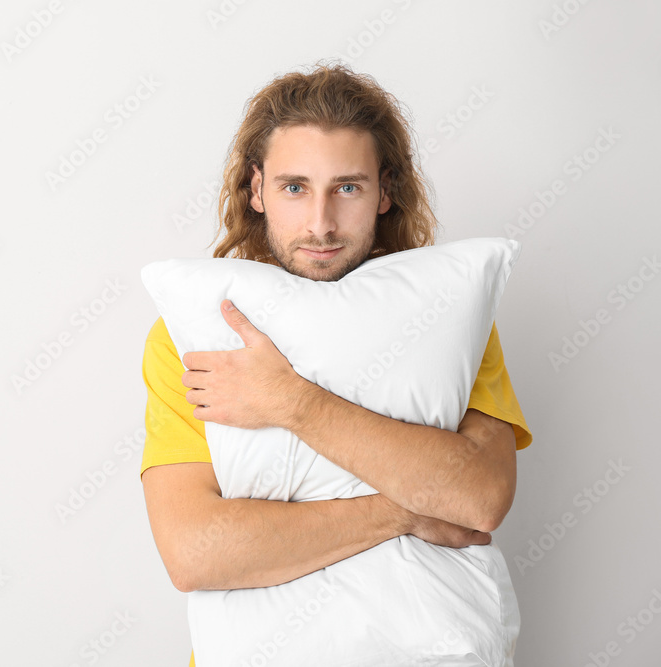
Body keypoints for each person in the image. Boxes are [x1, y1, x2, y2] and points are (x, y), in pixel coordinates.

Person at [139, 60, 532, 667]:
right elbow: (195, 554)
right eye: (295, 187)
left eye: (347, 187)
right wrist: (404, 509)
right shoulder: (190, 335)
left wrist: (291, 402)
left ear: (385, 192)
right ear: (256, 190)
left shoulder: (449, 323)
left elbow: (480, 499)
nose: (320, 223)